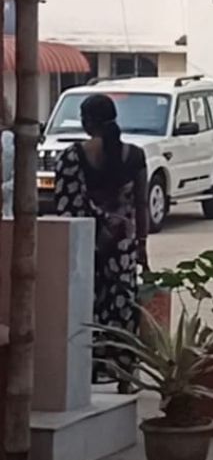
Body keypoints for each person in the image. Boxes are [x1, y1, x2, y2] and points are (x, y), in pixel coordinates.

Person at [52, 94, 149, 392]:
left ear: (86, 122)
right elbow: (141, 205)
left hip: (86, 248)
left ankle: (87, 372)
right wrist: (141, 247)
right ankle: (124, 376)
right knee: (122, 308)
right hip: (122, 249)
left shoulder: (71, 157)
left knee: (85, 308)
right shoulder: (134, 155)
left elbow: (66, 206)